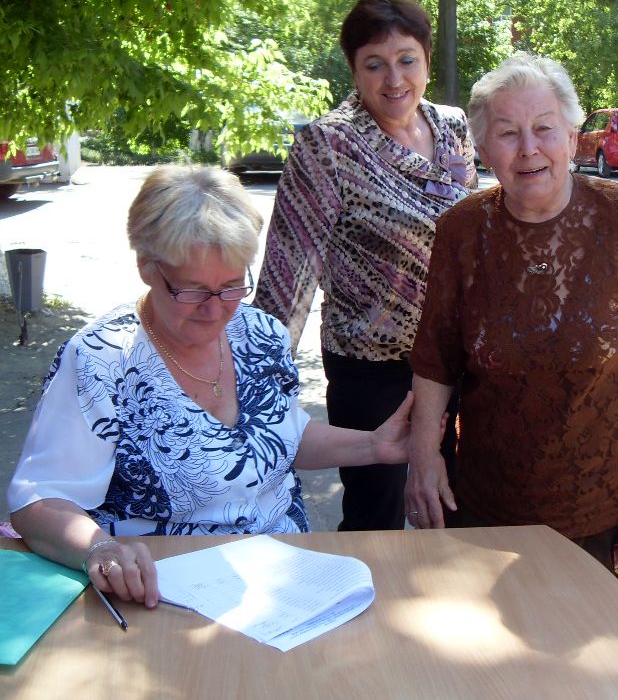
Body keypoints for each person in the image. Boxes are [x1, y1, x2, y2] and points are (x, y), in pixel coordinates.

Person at [404, 54, 618, 699]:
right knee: (506, 679)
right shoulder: (461, 231)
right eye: (507, 133)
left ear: (573, 137)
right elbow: (435, 358)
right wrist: (424, 457)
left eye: (544, 128)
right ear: (483, 146)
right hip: (496, 512)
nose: (529, 149)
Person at [7, 165, 416, 609]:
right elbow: (39, 501)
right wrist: (100, 550)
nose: (216, 310)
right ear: (146, 267)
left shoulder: (260, 334)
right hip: (163, 594)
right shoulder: (101, 360)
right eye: (194, 291)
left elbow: (280, 437)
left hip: (285, 581)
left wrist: (373, 446)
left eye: (232, 286)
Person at [254, 0, 477, 532]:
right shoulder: (328, 145)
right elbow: (290, 271)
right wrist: (258, 378)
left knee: (459, 501)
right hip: (372, 368)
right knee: (376, 517)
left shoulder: (453, 128)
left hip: (452, 359)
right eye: (374, 64)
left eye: (406, 60)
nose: (393, 79)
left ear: (426, 60)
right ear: (353, 70)